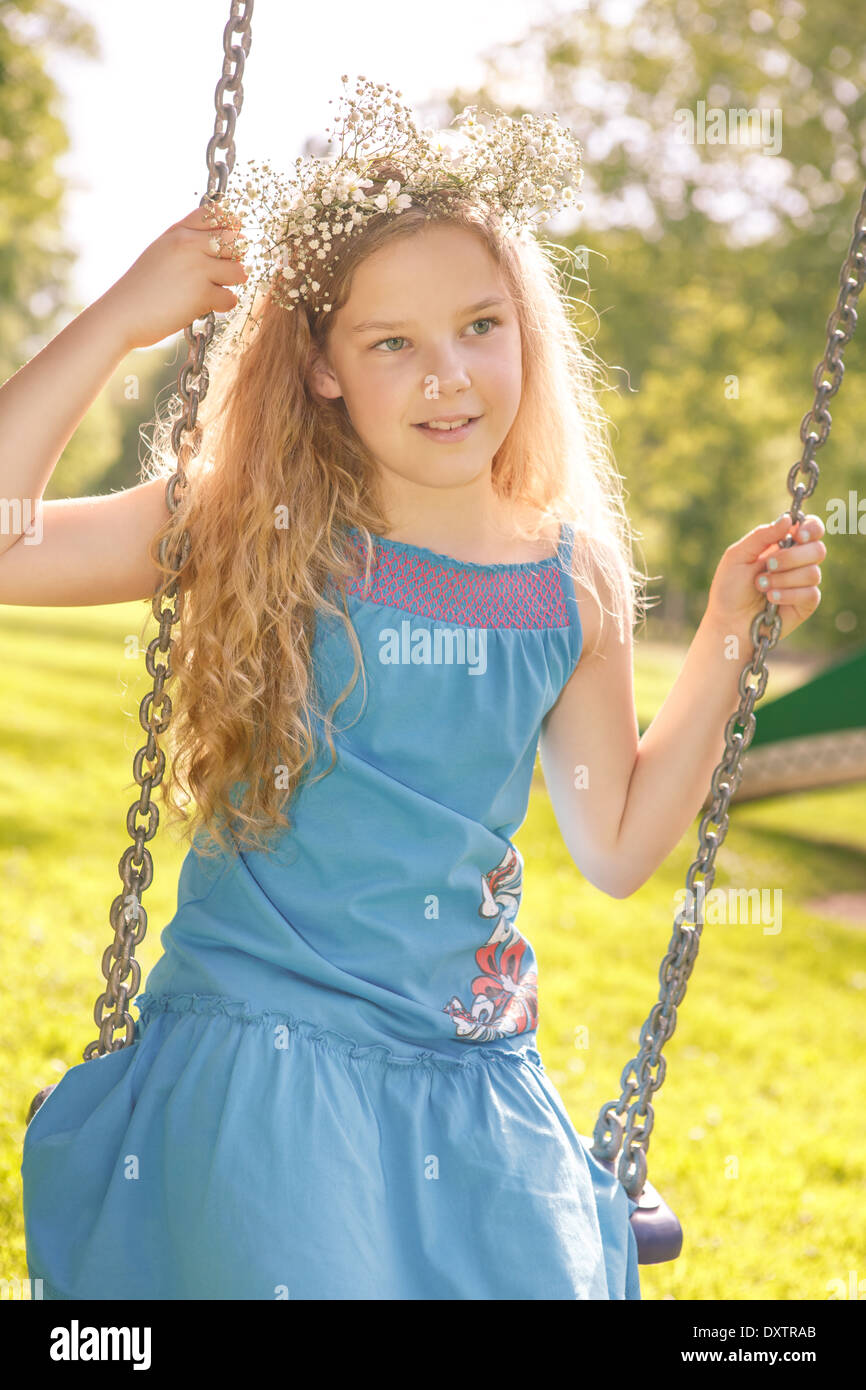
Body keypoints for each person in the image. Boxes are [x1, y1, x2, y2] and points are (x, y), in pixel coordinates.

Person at [7, 76, 825, 1300]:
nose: (447, 376)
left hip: (469, 1070)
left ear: (523, 331)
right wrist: (128, 313)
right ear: (323, 367)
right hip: (261, 1048)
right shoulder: (252, 521)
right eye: (393, 342)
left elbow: (612, 842)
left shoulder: (568, 581)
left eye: (479, 327)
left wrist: (723, 631)